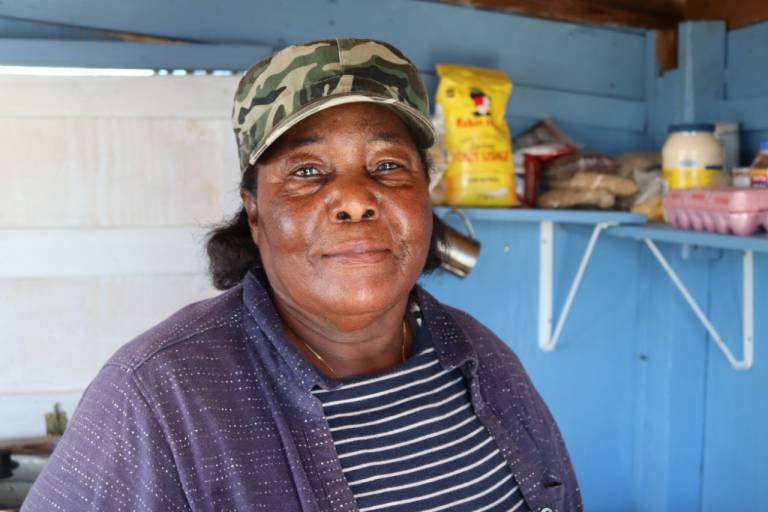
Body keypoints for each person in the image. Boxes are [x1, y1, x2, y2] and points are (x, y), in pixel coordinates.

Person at [23, 38, 581, 511]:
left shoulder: (483, 358)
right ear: (255, 211)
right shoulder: (153, 399)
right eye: (308, 172)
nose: (356, 201)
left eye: (388, 165)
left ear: (424, 196)